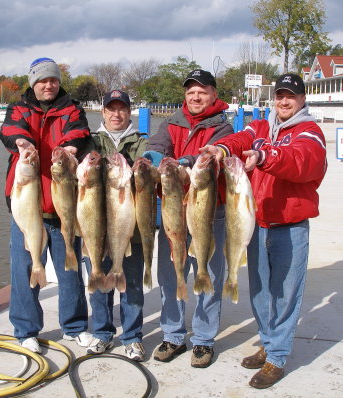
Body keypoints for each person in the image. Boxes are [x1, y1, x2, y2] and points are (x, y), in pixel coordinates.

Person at [204, 73, 327, 388]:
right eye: (280, 95)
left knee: (285, 294)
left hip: (290, 228)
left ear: (302, 99)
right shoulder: (259, 127)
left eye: (291, 96)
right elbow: (239, 140)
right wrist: (219, 149)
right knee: (259, 292)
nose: (284, 101)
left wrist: (264, 156)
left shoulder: (310, 132)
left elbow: (302, 162)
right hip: (256, 224)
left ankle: (277, 357)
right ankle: (269, 342)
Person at [0, 57, 93, 353]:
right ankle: (26, 330)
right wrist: (24, 145)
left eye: (53, 80)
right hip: (27, 211)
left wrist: (69, 148)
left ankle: (74, 327)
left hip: (62, 207)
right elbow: (9, 130)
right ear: (33, 83)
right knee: (24, 269)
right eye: (42, 80)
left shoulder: (72, 108)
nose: (48, 85)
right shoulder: (18, 108)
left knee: (70, 270)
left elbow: (79, 132)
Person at [143, 69, 233, 368]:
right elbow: (157, 148)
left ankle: (204, 340)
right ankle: (173, 335)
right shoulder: (171, 122)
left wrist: (185, 162)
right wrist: (152, 161)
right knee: (170, 275)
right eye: (191, 91)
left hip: (210, 212)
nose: (195, 96)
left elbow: (210, 159)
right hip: (173, 209)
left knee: (208, 273)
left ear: (213, 95)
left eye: (202, 91)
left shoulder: (224, 127)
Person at [83, 89, 148, 361]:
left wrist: (135, 166)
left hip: (126, 227)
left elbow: (148, 168)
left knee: (131, 284)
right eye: (111, 108)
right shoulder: (91, 141)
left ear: (129, 111)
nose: (116, 114)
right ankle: (102, 334)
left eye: (122, 108)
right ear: (103, 112)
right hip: (95, 226)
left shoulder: (142, 141)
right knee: (98, 279)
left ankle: (132, 337)